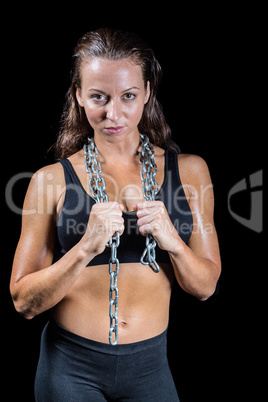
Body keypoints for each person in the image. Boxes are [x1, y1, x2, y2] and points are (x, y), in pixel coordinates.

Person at [10, 28, 221, 401]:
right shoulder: (50, 181)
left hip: (150, 366)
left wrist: (173, 242)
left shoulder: (190, 172)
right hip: (70, 368)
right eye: (98, 97)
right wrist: (83, 249)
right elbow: (24, 302)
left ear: (148, 92)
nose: (114, 113)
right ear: (78, 95)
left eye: (128, 96)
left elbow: (205, 287)